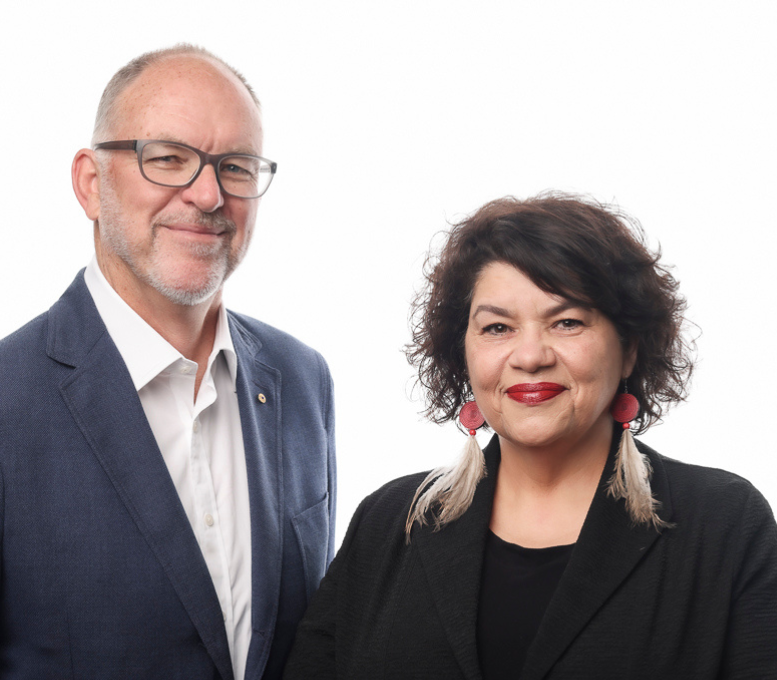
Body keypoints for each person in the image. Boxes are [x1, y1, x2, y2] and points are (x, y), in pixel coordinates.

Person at [0, 44, 335, 680]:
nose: (207, 195)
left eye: (235, 166)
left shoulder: (302, 382)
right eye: (168, 158)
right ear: (91, 184)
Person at [284, 193, 777, 679]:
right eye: (498, 328)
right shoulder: (391, 521)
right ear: (462, 353)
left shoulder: (724, 523)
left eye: (567, 322)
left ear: (628, 348)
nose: (530, 356)